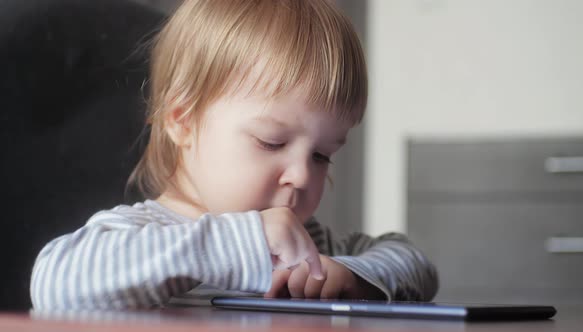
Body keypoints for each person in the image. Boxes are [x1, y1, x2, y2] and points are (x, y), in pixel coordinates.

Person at [30, 0, 438, 310]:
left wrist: (353, 276)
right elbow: (56, 281)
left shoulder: (308, 244)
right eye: (271, 143)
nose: (301, 175)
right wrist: (235, 244)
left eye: (321, 155)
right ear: (182, 121)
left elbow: (414, 262)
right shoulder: (139, 233)